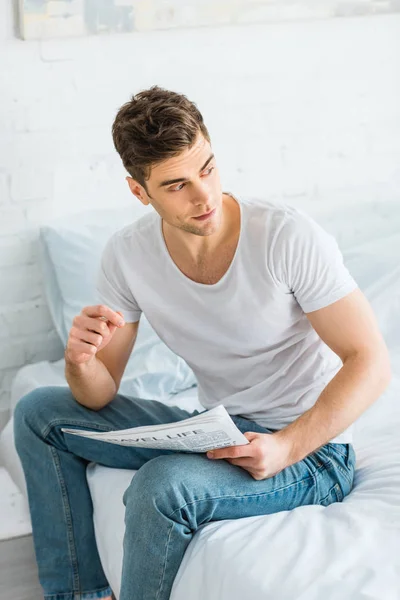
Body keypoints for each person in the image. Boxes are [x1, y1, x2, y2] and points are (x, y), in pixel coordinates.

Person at [14, 85, 392, 600]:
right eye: (176, 185)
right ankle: (80, 594)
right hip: (218, 430)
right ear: (138, 191)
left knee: (161, 487)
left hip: (311, 450)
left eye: (208, 168)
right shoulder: (128, 255)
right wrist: (80, 361)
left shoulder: (286, 236)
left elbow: (369, 361)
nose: (204, 196)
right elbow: (97, 396)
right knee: (39, 411)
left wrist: (284, 447)